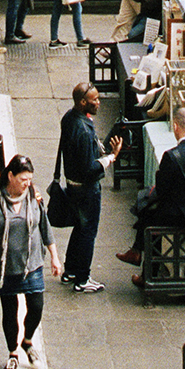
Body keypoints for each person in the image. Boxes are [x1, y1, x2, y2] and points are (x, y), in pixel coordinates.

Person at [0, 154, 62, 369]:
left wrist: (54, 255)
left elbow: (44, 225)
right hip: (4, 267)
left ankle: (28, 340)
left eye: (30, 179)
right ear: (10, 176)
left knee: (37, 306)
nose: (27, 183)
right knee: (9, 310)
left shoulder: (33, 194)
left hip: (31, 264)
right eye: (23, 179)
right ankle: (12, 353)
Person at [114, 106, 185, 279]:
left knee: (149, 209)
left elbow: (163, 191)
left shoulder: (171, 156)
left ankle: (142, 263)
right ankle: (140, 260)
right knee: (151, 208)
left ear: (175, 126)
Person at [57, 82, 123, 291]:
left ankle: (71, 270)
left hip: (73, 185)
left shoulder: (70, 117)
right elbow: (90, 169)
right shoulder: (84, 130)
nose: (99, 103)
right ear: (83, 102)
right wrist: (112, 157)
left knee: (79, 228)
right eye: (95, 100)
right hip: (86, 190)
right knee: (88, 232)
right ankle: (82, 279)